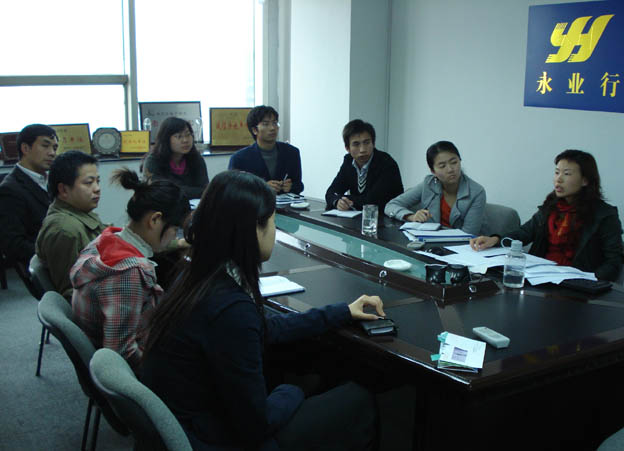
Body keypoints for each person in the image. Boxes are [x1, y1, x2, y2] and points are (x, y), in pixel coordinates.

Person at [141, 170, 382, 450]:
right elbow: (257, 425)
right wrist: (292, 391)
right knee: (357, 398)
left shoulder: (197, 274)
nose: (274, 232)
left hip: (191, 421)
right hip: (215, 439)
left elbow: (263, 326)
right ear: (253, 229)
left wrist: (342, 312)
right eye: (273, 222)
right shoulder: (229, 308)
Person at [70, 169, 190, 371]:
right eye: (175, 229)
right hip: (136, 369)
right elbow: (122, 352)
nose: (174, 236)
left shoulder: (106, 240)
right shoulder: (128, 273)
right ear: (154, 220)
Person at [470, 150, 623, 281]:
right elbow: (524, 233)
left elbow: (614, 262)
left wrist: (589, 280)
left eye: (567, 174)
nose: (559, 179)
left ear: (585, 180)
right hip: (542, 278)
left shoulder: (604, 215)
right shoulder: (551, 207)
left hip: (579, 284)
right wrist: (495, 239)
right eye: (557, 172)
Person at [36, 151, 106, 299]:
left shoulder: (80, 212)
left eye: (97, 181)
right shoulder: (64, 230)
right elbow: (71, 291)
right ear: (63, 190)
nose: (97, 188)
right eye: (89, 183)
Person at [385, 141, 486, 235]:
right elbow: (391, 206)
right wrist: (410, 216)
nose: (450, 169)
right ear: (433, 171)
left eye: (454, 162)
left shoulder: (476, 192)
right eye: (442, 166)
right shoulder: (429, 184)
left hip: (459, 245)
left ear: (460, 161)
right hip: (428, 241)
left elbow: (468, 235)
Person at [0, 124, 58, 266]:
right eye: (45, 146)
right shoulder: (10, 189)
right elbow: (14, 244)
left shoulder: (50, 181)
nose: (52, 153)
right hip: (46, 264)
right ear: (25, 148)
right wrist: (56, 254)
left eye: (55, 148)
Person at [325, 119, 403, 212]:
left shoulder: (386, 163)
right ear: (347, 148)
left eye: (366, 143)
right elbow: (331, 192)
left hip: (386, 216)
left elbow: (372, 201)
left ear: (373, 144)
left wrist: (344, 199)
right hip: (359, 216)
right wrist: (337, 201)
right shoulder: (348, 161)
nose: (362, 149)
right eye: (356, 144)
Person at [228, 105, 304, 194]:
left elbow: (299, 185)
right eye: (265, 124)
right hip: (255, 202)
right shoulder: (239, 158)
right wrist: (262, 187)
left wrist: (291, 187)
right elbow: (232, 190)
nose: (272, 128)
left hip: (285, 202)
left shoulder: (292, 153)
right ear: (254, 130)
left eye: (275, 123)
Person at [143, 117, 209, 200]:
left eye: (188, 135)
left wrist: (177, 190)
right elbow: (162, 192)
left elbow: (206, 190)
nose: (185, 140)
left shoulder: (196, 159)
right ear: (166, 139)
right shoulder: (154, 161)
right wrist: (194, 191)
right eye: (178, 136)